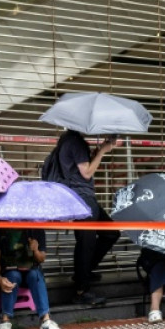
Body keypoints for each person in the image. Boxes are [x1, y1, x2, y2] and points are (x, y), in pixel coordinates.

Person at [48, 130, 120, 306]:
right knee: (86, 243)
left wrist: (97, 151)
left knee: (110, 233)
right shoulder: (75, 142)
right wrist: (102, 152)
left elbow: (79, 168)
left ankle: (84, 272)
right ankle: (81, 290)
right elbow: (86, 173)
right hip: (83, 197)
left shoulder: (69, 140)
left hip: (80, 196)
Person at [0, 228, 65, 329]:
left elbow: (41, 258)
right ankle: (5, 322)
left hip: (30, 272)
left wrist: (36, 250)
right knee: (13, 275)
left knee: (35, 274)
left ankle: (46, 322)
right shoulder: (0, 227)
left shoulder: (36, 228)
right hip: (8, 273)